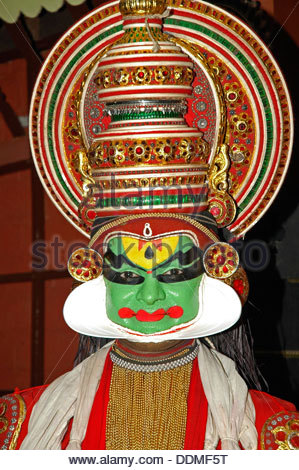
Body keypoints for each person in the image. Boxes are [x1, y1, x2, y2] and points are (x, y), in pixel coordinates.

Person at [1, 0, 298, 451]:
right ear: (95, 275)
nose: (151, 294)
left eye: (176, 271)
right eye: (126, 273)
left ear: (216, 269)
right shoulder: (21, 425)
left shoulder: (273, 433)